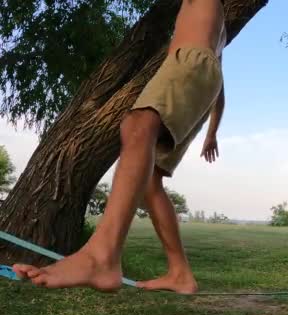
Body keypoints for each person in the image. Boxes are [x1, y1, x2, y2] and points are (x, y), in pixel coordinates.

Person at [13, 0, 227, 294]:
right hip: (203, 75)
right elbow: (220, 86)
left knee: (137, 125)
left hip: (188, 62)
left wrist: (212, 131)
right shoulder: (216, 24)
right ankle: (180, 273)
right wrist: (211, 132)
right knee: (150, 180)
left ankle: (102, 256)